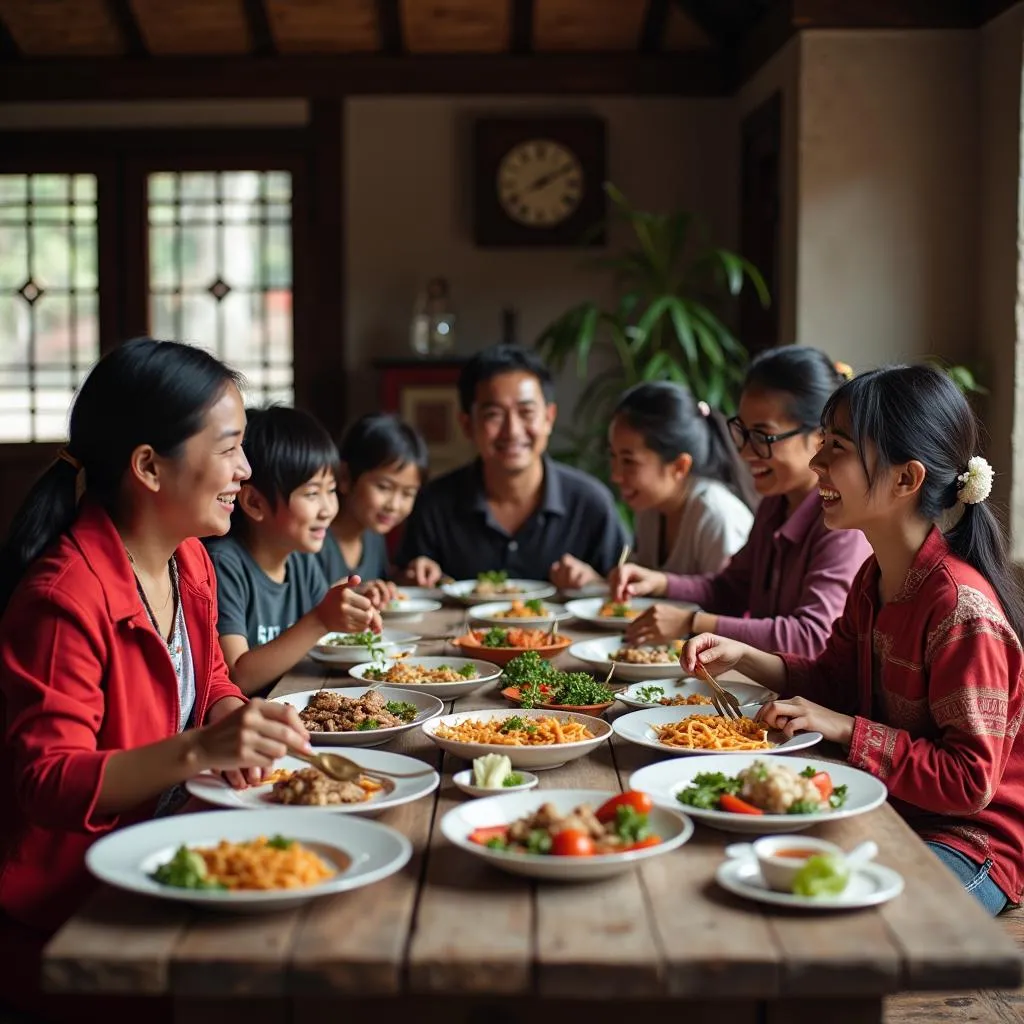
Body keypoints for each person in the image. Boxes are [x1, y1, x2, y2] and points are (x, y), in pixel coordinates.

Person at [0, 339, 314, 1019]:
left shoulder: (190, 561)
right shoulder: (64, 598)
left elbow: (215, 683)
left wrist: (235, 718)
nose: (246, 469)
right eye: (230, 448)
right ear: (148, 466)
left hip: (170, 853)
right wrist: (200, 751)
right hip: (78, 917)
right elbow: (47, 782)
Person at [682, 365, 1024, 914]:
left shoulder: (962, 611)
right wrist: (747, 659)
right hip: (889, 810)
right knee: (735, 867)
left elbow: (969, 782)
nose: (816, 462)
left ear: (905, 480)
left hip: (968, 842)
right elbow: (836, 681)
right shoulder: (875, 578)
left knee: (842, 915)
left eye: (836, 446)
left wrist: (843, 726)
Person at [610, 347, 871, 656]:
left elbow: (812, 637)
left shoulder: (842, 522)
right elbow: (730, 589)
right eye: (743, 433)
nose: (745, 453)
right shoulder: (775, 504)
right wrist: (661, 583)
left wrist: (693, 622)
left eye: (762, 437)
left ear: (819, 438)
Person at [395, 344, 628, 584]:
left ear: (549, 418)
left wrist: (595, 583)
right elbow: (405, 592)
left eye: (526, 412)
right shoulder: (434, 503)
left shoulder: (590, 503)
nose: (512, 431)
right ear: (467, 425)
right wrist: (416, 576)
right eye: (493, 414)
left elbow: (625, 593)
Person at [206, 405, 380, 696]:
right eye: (312, 493)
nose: (328, 509)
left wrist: (350, 609)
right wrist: (321, 619)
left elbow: (321, 643)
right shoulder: (224, 563)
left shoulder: (300, 559)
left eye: (332, 490)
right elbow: (236, 677)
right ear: (255, 503)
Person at [553, 381, 757, 590]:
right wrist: (595, 583)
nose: (615, 475)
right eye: (612, 456)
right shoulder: (651, 508)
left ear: (679, 466)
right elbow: (640, 596)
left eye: (629, 461)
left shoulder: (717, 517)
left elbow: (732, 607)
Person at [318, 413, 428, 606]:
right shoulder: (313, 539)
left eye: (408, 493)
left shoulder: (372, 535)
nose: (394, 505)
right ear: (345, 476)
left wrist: (406, 580)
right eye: (384, 487)